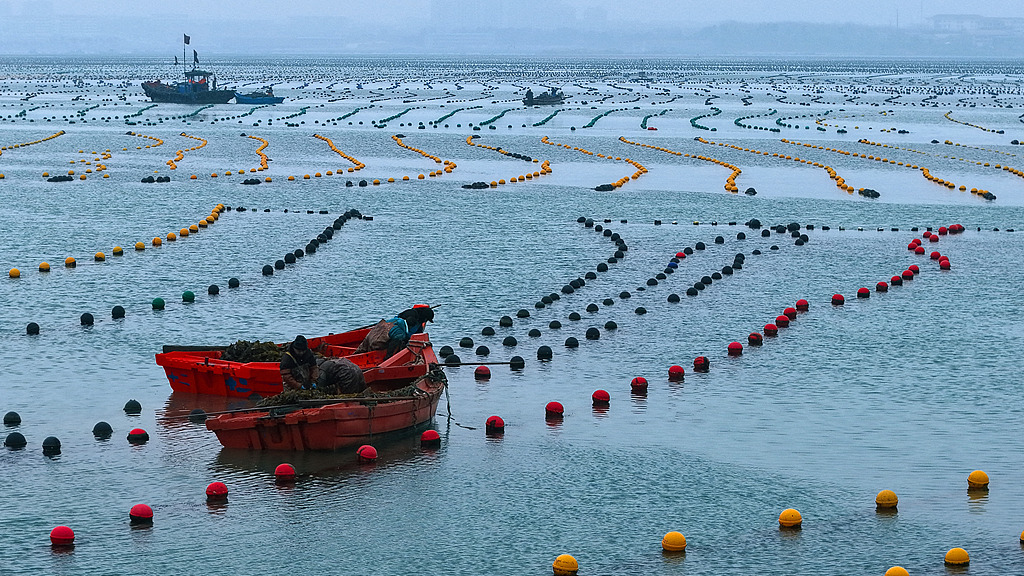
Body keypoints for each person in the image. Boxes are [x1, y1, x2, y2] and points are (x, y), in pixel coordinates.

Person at [355, 306, 434, 356]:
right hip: (376, 341)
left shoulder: (396, 321)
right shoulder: (400, 333)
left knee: (359, 352)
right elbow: (394, 342)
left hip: (371, 334)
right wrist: (388, 357)